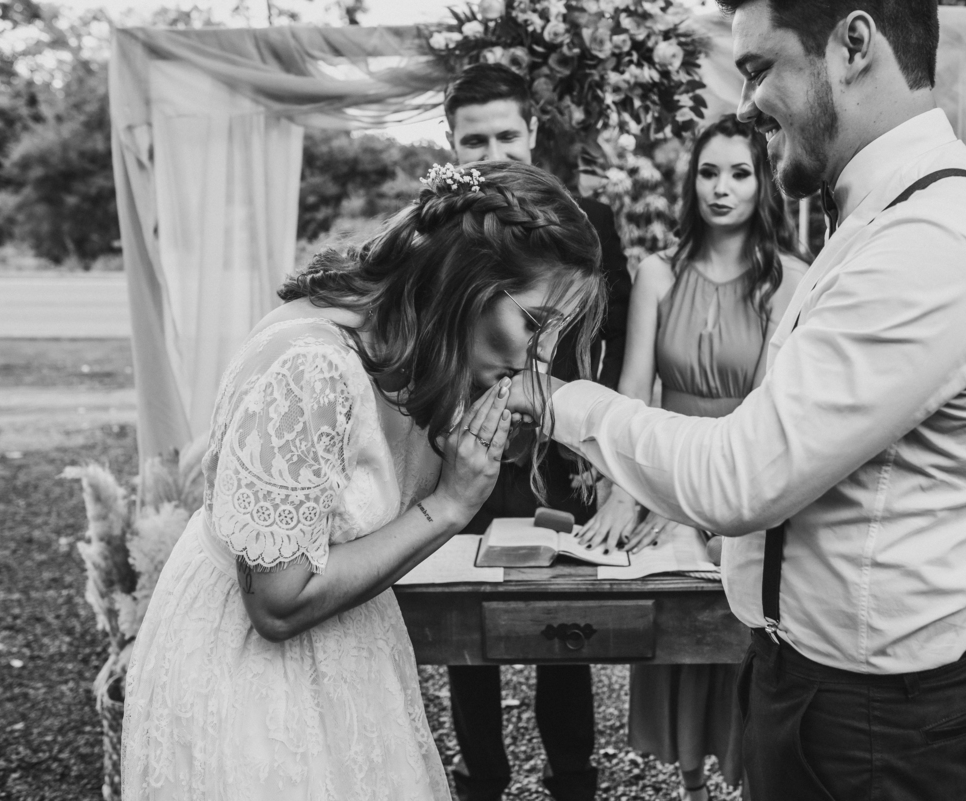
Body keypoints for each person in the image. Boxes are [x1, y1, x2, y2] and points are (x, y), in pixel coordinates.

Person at [503, 1, 966, 799]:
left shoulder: (933, 243)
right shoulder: (881, 218)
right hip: (812, 682)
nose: (744, 103)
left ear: (853, 44)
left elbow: (740, 476)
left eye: (758, 69)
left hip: (878, 729)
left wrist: (558, 401)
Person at [120, 160, 606, 801]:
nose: (539, 356)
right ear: (468, 281)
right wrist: (450, 505)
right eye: (536, 324)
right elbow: (276, 605)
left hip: (349, 645)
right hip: (254, 680)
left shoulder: (409, 346)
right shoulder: (312, 370)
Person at [577, 113, 806, 801]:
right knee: (670, 612)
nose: (721, 188)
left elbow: (765, 413)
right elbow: (632, 391)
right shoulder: (656, 273)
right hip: (665, 479)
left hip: (740, 483)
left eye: (739, 173)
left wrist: (721, 510)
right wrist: (626, 490)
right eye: (709, 172)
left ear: (764, 183)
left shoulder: (788, 280)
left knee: (735, 619)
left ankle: (742, 778)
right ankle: (690, 784)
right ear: (692, 183)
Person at [440, 63, 632, 801]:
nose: (493, 152)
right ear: (451, 144)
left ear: (532, 131)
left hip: (561, 458)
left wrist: (606, 459)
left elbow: (612, 341)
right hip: (468, 448)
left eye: (506, 135)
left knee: (565, 619)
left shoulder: (590, 222)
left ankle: (572, 778)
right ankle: (482, 778)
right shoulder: (439, 232)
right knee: (467, 619)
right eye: (474, 140)